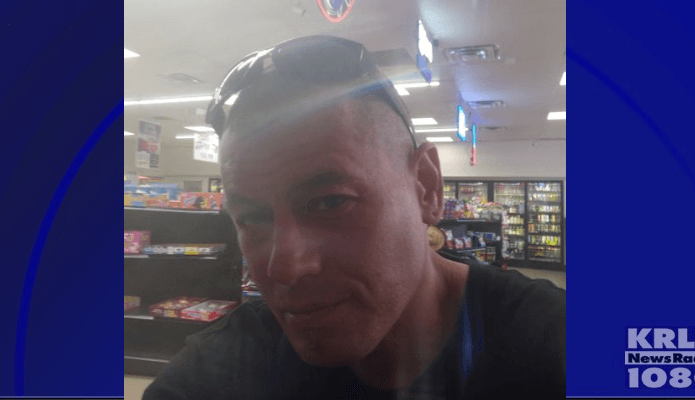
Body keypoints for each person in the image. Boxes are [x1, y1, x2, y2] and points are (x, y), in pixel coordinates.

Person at [142, 35, 565, 400]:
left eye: (330, 202)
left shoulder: (553, 347)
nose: (284, 267)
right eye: (252, 218)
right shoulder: (221, 370)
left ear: (426, 188)